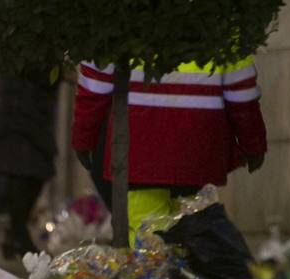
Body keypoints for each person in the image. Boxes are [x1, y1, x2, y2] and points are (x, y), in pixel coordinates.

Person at [72, 57, 267, 244]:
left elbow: (94, 86)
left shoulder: (119, 23)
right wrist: (252, 142)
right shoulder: (222, 24)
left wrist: (83, 138)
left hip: (140, 146)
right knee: (188, 238)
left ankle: (154, 273)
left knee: (147, 243)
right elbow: (241, 90)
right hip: (195, 146)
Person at [0, 74, 57, 260]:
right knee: (21, 181)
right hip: (18, 119)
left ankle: (15, 236)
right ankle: (19, 238)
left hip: (25, 119)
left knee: (29, 179)